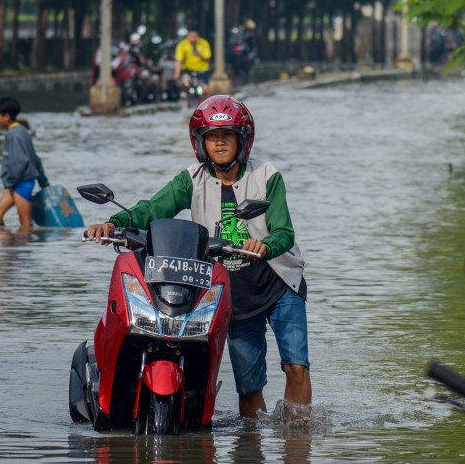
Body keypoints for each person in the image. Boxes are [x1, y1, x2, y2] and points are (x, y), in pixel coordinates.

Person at [85, 95, 312, 419]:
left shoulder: (267, 174)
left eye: (227, 136)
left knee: (296, 366)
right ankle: (253, 449)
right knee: (248, 387)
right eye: (212, 137)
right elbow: (153, 208)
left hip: (279, 284)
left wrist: (266, 245)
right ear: (201, 143)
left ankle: (298, 444)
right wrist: (115, 223)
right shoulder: (191, 178)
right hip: (233, 292)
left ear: (242, 140)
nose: (219, 143)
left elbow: (284, 231)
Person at [0, 97, 50, 228]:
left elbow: (21, 162)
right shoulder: (22, 131)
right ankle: (7, 246)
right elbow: (35, 158)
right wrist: (43, 182)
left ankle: (22, 247)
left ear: (6, 117)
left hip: (21, 182)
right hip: (15, 183)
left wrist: (9, 182)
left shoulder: (14, 134)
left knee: (25, 222)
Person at [173, 26, 212, 92]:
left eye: (195, 36)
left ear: (198, 36)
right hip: (188, 70)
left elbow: (208, 59)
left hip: (202, 70)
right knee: (184, 83)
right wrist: (177, 73)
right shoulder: (182, 44)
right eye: (191, 36)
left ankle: (205, 101)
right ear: (187, 36)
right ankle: (185, 99)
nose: (193, 38)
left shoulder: (204, 43)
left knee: (206, 89)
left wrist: (200, 55)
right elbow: (179, 60)